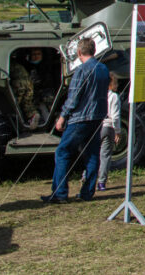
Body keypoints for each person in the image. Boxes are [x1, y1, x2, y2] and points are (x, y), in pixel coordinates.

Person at [41, 37, 109, 203]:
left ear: (79, 52)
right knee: (93, 154)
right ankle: (87, 192)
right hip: (98, 116)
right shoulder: (103, 69)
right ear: (94, 50)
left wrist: (62, 117)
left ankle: (60, 193)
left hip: (80, 118)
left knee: (62, 152)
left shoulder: (81, 71)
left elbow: (73, 98)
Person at [95, 73, 122, 192]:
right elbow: (115, 116)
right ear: (111, 84)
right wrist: (118, 131)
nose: (117, 85)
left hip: (96, 126)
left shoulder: (96, 94)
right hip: (108, 126)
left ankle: (86, 176)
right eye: (115, 83)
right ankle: (101, 182)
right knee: (105, 155)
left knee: (93, 154)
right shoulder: (114, 96)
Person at [11, 48, 45, 129]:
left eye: (38, 54)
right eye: (34, 55)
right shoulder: (25, 66)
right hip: (30, 89)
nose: (36, 57)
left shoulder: (45, 67)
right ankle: (32, 115)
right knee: (26, 102)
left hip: (36, 90)